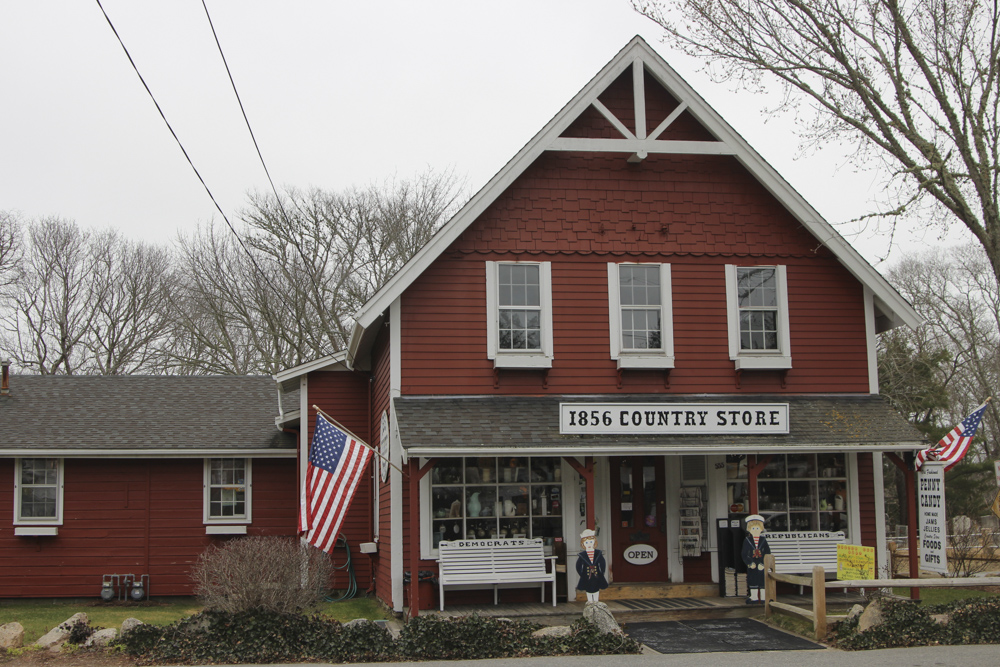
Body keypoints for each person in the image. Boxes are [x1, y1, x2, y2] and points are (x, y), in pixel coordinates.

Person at [741, 514, 770, 604]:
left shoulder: (763, 540)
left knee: (762, 580)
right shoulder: (747, 540)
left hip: (761, 562)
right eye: (753, 528)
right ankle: (754, 597)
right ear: (749, 529)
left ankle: (763, 597)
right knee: (752, 579)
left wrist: (763, 563)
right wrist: (749, 563)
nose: (755, 531)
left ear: (761, 529)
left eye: (757, 528)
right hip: (752, 563)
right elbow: (744, 553)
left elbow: (767, 552)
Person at [575, 528, 608, 602]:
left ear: (594, 542)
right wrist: (582, 574)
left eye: (590, 542)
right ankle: (590, 601)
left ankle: (596, 601)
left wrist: (601, 572)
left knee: (596, 587)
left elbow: (602, 563)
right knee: (588, 588)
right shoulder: (582, 555)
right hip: (587, 575)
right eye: (586, 543)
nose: (589, 544)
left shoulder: (598, 553)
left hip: (597, 574)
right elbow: (578, 566)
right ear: (583, 544)